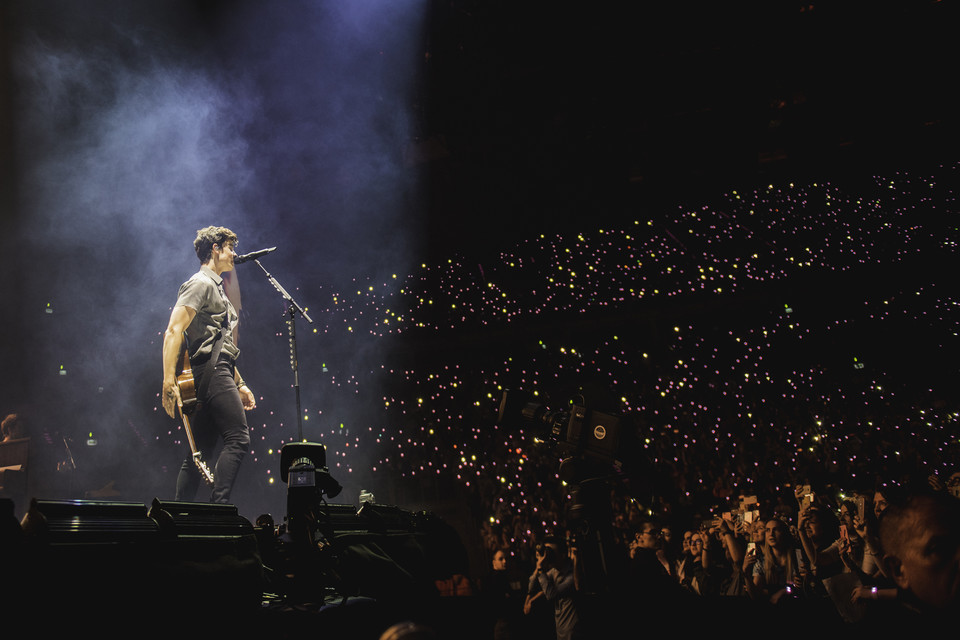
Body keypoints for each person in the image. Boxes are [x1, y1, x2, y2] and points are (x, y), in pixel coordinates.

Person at [161, 226, 256, 504]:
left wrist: (239, 383)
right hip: (211, 374)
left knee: (198, 451)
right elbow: (173, 331)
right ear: (215, 248)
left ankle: (178, 516)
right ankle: (220, 509)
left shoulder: (216, 288)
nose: (234, 253)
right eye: (229, 247)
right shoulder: (200, 284)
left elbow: (220, 345)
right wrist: (168, 380)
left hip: (216, 371)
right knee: (238, 438)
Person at [527, 536, 582, 640]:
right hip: (560, 631)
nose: (548, 556)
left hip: (572, 632)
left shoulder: (572, 574)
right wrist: (539, 563)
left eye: (551, 553)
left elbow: (551, 594)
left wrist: (540, 569)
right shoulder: (554, 571)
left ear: (562, 555)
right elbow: (532, 585)